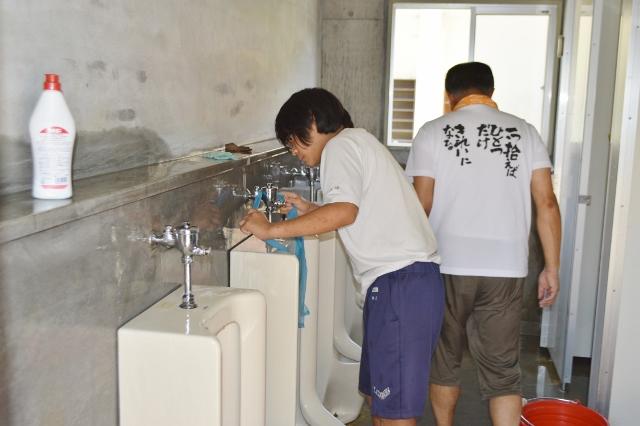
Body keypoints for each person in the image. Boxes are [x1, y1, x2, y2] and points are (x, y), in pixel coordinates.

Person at [240, 88, 444, 425]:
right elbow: (359, 209)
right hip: (404, 284)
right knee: (379, 400)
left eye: (292, 139)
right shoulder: (358, 141)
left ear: (313, 121)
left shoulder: (339, 147)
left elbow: (345, 212)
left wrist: (270, 230)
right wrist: (312, 209)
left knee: (395, 413)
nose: (293, 151)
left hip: (400, 285)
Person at [405, 62, 561, 426]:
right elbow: (547, 203)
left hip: (446, 263)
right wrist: (551, 268)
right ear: (491, 91)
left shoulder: (432, 132)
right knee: (502, 369)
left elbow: (421, 204)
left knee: (445, 359)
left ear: (449, 96)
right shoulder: (526, 132)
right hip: (505, 266)